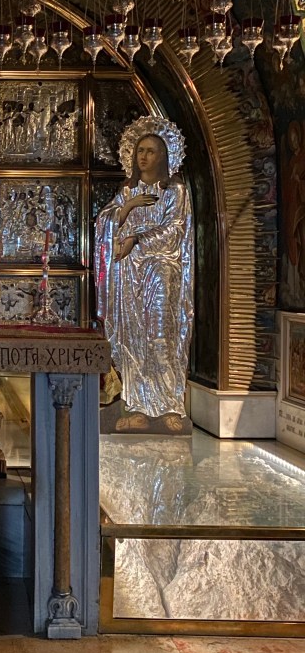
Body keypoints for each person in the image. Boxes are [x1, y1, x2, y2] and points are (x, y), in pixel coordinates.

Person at [94, 116, 194, 434]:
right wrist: (128, 207)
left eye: (151, 151)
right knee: (133, 339)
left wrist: (137, 239)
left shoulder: (175, 191)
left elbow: (176, 230)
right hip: (128, 273)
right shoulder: (127, 191)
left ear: (163, 156)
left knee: (161, 335)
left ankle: (169, 407)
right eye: (140, 150)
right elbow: (104, 224)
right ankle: (137, 407)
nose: (144, 157)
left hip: (161, 268)